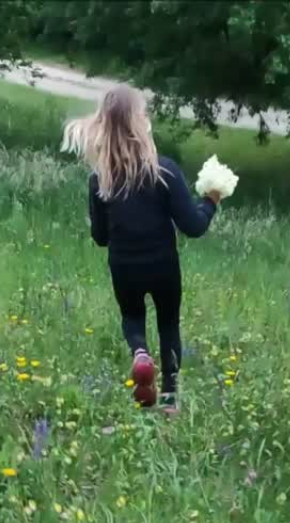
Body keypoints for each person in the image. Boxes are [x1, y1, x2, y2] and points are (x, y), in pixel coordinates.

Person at [67, 85, 221, 413]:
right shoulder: (163, 170)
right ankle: (168, 398)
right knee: (168, 324)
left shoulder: (100, 180)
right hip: (163, 264)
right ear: (140, 123)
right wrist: (210, 201)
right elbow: (194, 227)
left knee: (133, 317)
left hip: (124, 266)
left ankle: (139, 352)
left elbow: (100, 237)